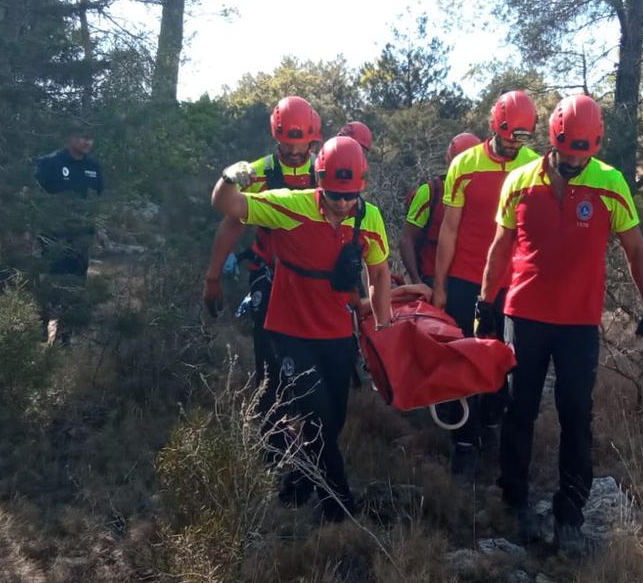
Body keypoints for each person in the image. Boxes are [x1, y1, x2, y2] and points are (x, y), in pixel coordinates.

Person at [477, 94, 643, 553]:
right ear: (553, 140)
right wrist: (485, 305)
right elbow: (501, 247)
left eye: (586, 152)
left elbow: (636, 249)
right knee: (519, 410)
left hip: (579, 322)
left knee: (576, 416)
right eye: (569, 152)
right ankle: (515, 501)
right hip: (523, 316)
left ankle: (570, 515)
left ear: (596, 145)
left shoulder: (610, 183)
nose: (576, 160)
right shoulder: (519, 182)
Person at [211, 136, 392, 522]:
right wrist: (231, 176)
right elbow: (226, 206)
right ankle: (339, 509)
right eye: (334, 195)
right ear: (319, 182)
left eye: (351, 196)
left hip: (338, 335)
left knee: (332, 422)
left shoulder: (369, 218)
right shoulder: (291, 207)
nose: (342, 204)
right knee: (320, 418)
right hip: (290, 332)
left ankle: (297, 484)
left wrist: (383, 324)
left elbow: (378, 272)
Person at [431, 91, 542, 484]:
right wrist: (440, 285)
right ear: (495, 126)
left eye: (523, 138)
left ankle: (492, 427)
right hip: (464, 279)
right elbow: (449, 228)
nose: (515, 144)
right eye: (510, 135)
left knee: (504, 363)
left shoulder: (536, 166)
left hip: (512, 283)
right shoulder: (464, 165)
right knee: (464, 360)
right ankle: (463, 442)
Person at [202, 95, 322, 388]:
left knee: (316, 354)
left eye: (301, 148)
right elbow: (231, 220)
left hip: (316, 279)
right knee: (269, 358)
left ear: (313, 141)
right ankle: (273, 419)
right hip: (271, 274)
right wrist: (212, 276)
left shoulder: (324, 172)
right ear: (276, 138)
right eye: (287, 147)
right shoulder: (260, 172)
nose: (294, 154)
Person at [34, 132, 104, 343]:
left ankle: (66, 335)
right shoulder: (51, 162)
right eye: (82, 137)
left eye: (90, 137)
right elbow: (36, 197)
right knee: (51, 280)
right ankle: (41, 329)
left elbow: (97, 200)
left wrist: (98, 230)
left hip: (81, 236)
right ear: (70, 138)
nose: (87, 141)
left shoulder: (93, 167)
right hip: (53, 235)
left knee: (75, 285)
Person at [400, 132, 481, 286]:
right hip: (432, 277)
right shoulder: (430, 192)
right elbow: (407, 239)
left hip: (471, 278)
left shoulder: (487, 195)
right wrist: (417, 281)